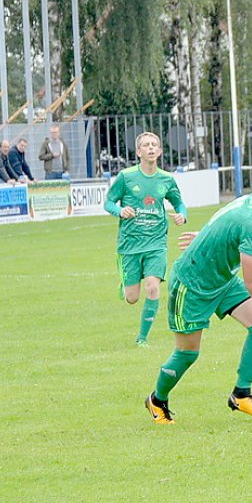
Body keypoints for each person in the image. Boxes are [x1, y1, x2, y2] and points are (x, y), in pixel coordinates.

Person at [145, 159, 252, 424]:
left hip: (221, 278)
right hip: (191, 284)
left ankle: (242, 394)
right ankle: (157, 400)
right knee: (188, 353)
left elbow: (224, 219)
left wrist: (205, 236)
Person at [105, 132, 188, 346]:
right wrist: (120, 211)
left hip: (156, 243)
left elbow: (179, 204)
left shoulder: (167, 179)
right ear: (139, 152)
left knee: (153, 287)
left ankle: (142, 338)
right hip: (130, 244)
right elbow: (109, 202)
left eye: (154, 145)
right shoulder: (126, 176)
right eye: (146, 145)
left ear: (159, 152)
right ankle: (125, 282)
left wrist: (182, 215)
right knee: (132, 297)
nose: (151, 148)